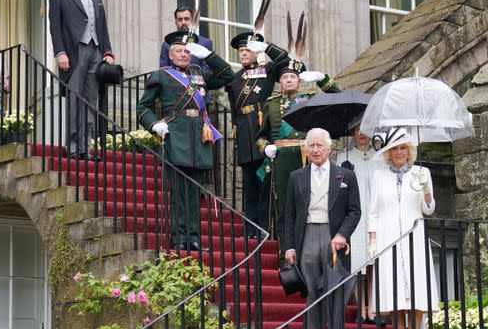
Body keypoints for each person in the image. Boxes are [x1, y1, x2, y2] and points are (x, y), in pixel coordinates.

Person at [137, 30, 234, 251]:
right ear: (170, 55)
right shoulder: (161, 75)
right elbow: (143, 107)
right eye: (179, 51)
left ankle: (194, 238)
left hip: (199, 138)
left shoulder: (199, 72)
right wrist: (154, 124)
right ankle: (179, 238)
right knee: (179, 192)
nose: (183, 54)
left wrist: (209, 55)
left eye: (186, 51)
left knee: (194, 192)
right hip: (177, 136)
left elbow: (228, 75)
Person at [283, 128, 361, 329]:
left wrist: (342, 235)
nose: (315, 150)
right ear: (306, 148)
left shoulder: (345, 176)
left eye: (320, 145)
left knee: (335, 293)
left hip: (333, 238)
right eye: (312, 145)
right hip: (307, 236)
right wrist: (289, 246)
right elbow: (289, 215)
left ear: (329, 148)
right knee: (311, 294)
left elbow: (354, 211)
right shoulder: (296, 176)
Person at [255, 60, 340, 255]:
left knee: (311, 206)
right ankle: (286, 255)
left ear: (299, 81)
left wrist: (322, 79)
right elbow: (260, 136)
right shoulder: (271, 104)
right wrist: (266, 148)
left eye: (293, 76)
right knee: (284, 208)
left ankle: (308, 253)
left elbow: (338, 96)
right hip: (282, 160)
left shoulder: (310, 99)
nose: (289, 80)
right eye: (285, 77)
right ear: (280, 82)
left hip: (307, 157)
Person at [368, 126, 439, 329]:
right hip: (388, 237)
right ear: (389, 153)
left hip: (414, 235)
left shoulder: (422, 172)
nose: (399, 152)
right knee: (394, 294)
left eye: (402, 148)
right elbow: (373, 211)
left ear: (409, 151)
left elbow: (428, 209)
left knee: (418, 291)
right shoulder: (379, 176)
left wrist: (426, 189)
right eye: (394, 149)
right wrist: (372, 240)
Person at [49, 0, 116, 160]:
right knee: (74, 98)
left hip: (95, 50)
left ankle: (86, 148)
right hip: (74, 50)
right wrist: (60, 52)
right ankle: (72, 147)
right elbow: (55, 25)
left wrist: (108, 52)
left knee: (90, 100)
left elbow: (102, 27)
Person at [226, 32, 288, 237]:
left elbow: (284, 59)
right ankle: (250, 229)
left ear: (256, 53)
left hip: (263, 131)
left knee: (265, 184)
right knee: (249, 186)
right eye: (241, 50)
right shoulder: (235, 80)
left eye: (248, 50)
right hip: (244, 132)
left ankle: (263, 228)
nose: (243, 54)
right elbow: (235, 114)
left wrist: (265, 47)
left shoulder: (267, 71)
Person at [337, 117, 386, 325]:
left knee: (374, 262)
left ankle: (373, 309)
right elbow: (338, 190)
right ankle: (361, 309)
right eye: (358, 129)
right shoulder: (343, 157)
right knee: (358, 263)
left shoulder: (381, 158)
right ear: (353, 133)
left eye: (366, 129)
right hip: (355, 216)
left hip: (376, 215)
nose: (362, 134)